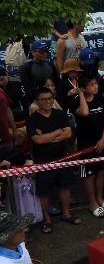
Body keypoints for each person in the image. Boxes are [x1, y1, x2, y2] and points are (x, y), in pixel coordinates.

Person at [26, 87, 78, 234]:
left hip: (63, 157)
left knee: (65, 186)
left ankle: (66, 213)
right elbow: (38, 140)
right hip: (43, 161)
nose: (48, 102)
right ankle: (47, 219)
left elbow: (67, 133)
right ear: (36, 101)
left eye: (50, 98)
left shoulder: (60, 114)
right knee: (44, 192)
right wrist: (56, 132)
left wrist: (47, 136)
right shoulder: (32, 120)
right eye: (44, 99)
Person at [70, 75, 104, 218]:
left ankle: (100, 198)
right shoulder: (76, 102)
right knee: (89, 174)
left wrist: (103, 139)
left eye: (96, 84)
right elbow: (85, 112)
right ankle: (92, 202)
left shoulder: (100, 99)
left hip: (101, 142)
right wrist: (80, 94)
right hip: (85, 144)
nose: (96, 87)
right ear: (84, 87)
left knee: (101, 171)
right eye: (92, 84)